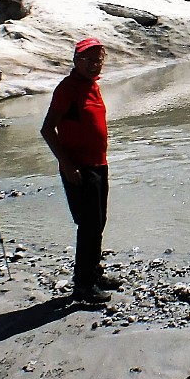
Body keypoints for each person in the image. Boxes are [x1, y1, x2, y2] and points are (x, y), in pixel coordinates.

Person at [41, 37, 121, 305]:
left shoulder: (92, 86)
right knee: (88, 225)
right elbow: (47, 129)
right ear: (76, 61)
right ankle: (83, 287)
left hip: (99, 164)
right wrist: (67, 164)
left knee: (98, 223)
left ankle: (94, 273)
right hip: (79, 168)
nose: (94, 65)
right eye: (87, 60)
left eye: (98, 60)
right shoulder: (68, 89)